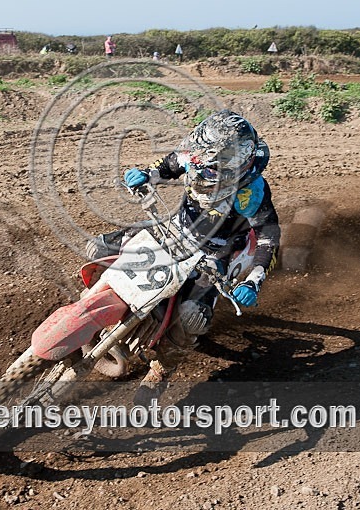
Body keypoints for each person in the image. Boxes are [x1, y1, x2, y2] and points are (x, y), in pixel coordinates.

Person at [86, 110, 281, 397]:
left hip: (215, 253)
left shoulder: (252, 191)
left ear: (234, 164)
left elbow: (269, 236)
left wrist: (254, 281)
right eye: (200, 160)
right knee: (98, 247)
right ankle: (97, 309)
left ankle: (161, 369)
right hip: (174, 228)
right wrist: (144, 175)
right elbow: (166, 166)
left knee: (192, 316)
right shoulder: (198, 155)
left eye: (211, 167)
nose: (202, 170)